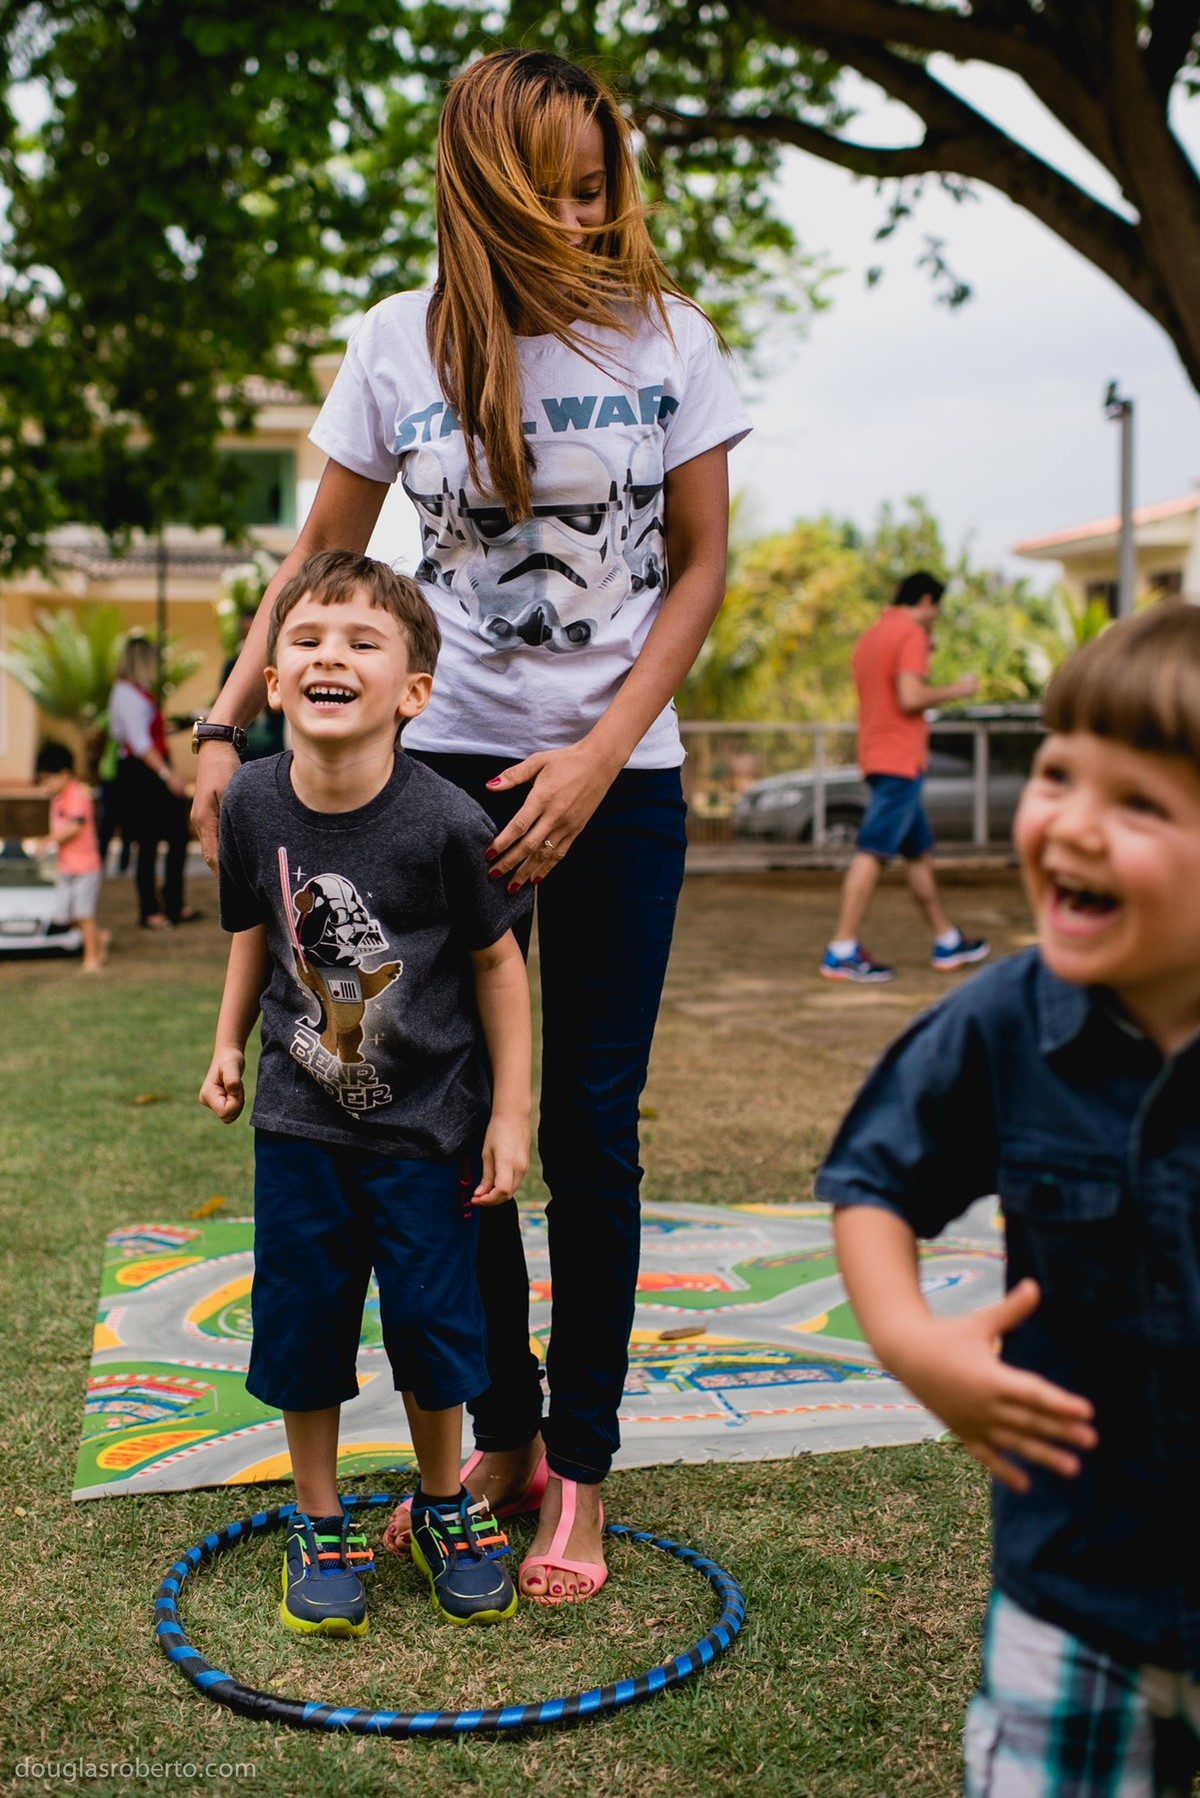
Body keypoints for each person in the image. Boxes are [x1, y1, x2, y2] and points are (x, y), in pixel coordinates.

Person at [192, 47, 750, 1603]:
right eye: (550, 190)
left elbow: (700, 567)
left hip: (621, 783)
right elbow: (319, 560)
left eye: (599, 186)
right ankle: (496, 1433)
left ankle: (578, 1463)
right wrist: (225, 721)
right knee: (449, 1123)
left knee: (587, 1122)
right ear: (483, 186)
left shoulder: (673, 340)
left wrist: (599, 752)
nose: (582, 216)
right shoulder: (399, 344)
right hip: (435, 789)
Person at [821, 603, 1200, 1793]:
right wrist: (911, 1343)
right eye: (1056, 774)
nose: (1073, 824)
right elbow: (873, 1178)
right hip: (1073, 1587)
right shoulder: (1003, 1025)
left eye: (1140, 803)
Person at [200, 548, 532, 1636]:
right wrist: (227, 1048)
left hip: (427, 1130)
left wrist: (511, 1114)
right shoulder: (251, 804)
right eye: (306, 638)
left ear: (414, 691)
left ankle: (443, 1503)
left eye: (360, 640)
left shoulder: (446, 822)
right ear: (276, 678)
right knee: (303, 1321)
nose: (330, 653)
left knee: (437, 1325)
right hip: (300, 1125)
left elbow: (497, 967)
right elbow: (255, 928)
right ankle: (319, 1514)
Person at [821, 570, 989, 982]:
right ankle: (841, 949)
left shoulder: (873, 635)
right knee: (873, 850)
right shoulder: (911, 633)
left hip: (878, 754)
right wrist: (959, 689)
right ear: (928, 600)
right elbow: (910, 697)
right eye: (939, 608)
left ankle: (946, 939)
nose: (938, 616)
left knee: (918, 854)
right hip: (900, 760)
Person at [107, 638, 197, 929]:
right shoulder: (126, 695)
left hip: (148, 769)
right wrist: (166, 774)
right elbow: (140, 743)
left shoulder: (138, 693)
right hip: (140, 775)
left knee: (177, 837)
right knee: (146, 842)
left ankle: (173, 902)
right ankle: (149, 910)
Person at [34, 741, 110, 971]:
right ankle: (100, 937)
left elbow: (75, 827)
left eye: (47, 778)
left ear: (64, 774)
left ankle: (92, 959)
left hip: (85, 866)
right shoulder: (58, 798)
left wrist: (47, 841)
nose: (44, 784)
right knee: (65, 915)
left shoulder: (77, 794)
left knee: (84, 914)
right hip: (66, 866)